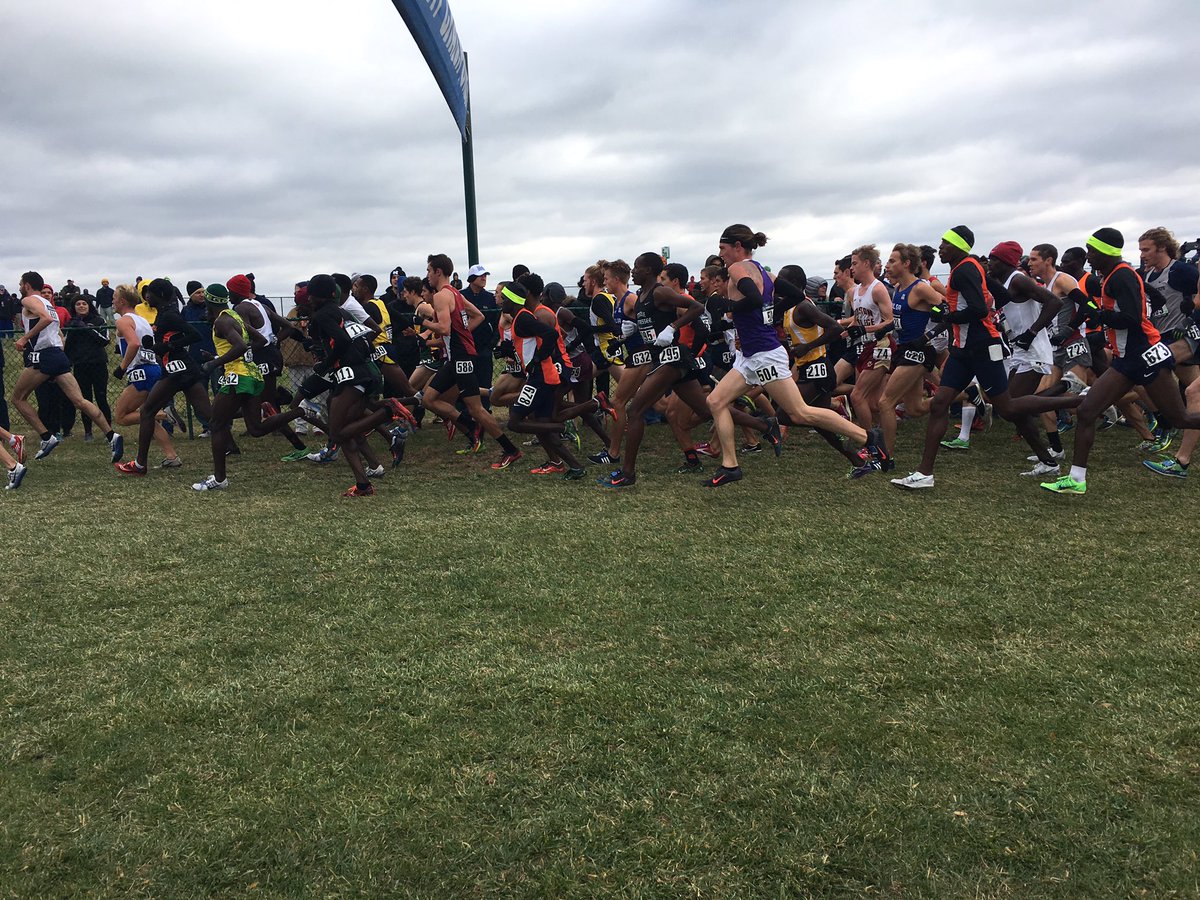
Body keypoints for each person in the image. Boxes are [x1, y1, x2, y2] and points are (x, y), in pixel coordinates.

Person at [890, 228, 1080, 490]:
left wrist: (950, 316)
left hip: (981, 348)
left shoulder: (965, 270)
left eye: (945, 243)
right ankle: (925, 474)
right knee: (939, 404)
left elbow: (979, 310)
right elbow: (1001, 298)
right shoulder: (971, 269)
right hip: (963, 349)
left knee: (1008, 408)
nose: (941, 247)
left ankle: (1079, 400)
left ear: (959, 246)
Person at [1042, 228, 1200, 494]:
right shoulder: (1114, 275)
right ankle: (1077, 479)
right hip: (1126, 360)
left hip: (1144, 358)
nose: (1088, 257)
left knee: (1180, 417)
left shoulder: (1122, 276)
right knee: (1087, 411)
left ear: (1106, 252)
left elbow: (1132, 318)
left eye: (1092, 251)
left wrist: (1101, 316)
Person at [191, 286, 312, 492]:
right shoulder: (235, 317)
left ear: (209, 303)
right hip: (253, 375)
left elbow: (239, 346)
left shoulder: (222, 321)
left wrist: (214, 363)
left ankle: (219, 479)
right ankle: (301, 411)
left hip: (237, 377)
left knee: (217, 424)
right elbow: (261, 340)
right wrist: (219, 357)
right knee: (255, 429)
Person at [418, 253, 524, 468]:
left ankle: (510, 449)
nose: (427, 275)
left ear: (438, 271)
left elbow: (444, 328)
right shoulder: (455, 293)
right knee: (429, 399)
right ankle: (472, 428)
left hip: (460, 357)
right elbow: (479, 316)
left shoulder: (442, 296)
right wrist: (463, 334)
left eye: (429, 270)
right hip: (456, 357)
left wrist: (423, 322)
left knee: (476, 409)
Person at [10, 271, 123, 463]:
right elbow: (56, 329)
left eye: (21, 284)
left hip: (44, 355)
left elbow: (45, 319)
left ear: (27, 285)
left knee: (18, 399)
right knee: (80, 401)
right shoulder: (48, 303)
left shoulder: (28, 300)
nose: (19, 287)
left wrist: (24, 338)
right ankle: (112, 435)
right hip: (57, 355)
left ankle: (46, 437)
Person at [115, 279, 216, 476]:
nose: (147, 297)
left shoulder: (166, 315)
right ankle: (226, 444)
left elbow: (192, 335)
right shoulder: (150, 318)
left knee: (141, 413)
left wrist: (122, 367)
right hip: (176, 368)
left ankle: (140, 463)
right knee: (208, 413)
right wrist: (159, 346)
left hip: (172, 369)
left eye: (150, 293)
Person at [110, 284, 180, 467]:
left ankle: (165, 414)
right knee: (147, 416)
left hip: (141, 372)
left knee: (121, 416)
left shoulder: (123, 321)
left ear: (122, 301)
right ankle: (171, 456)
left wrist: (121, 367)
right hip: (153, 368)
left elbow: (133, 344)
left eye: (114, 297)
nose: (112, 301)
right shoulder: (141, 320)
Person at [64, 295, 112, 442]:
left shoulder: (99, 321)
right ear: (74, 307)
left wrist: (87, 329)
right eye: (78, 304)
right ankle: (88, 431)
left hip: (98, 364)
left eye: (84, 303)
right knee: (84, 399)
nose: (81, 306)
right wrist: (73, 328)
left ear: (89, 305)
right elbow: (67, 346)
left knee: (101, 398)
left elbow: (105, 340)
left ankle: (108, 431)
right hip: (80, 365)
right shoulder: (71, 323)